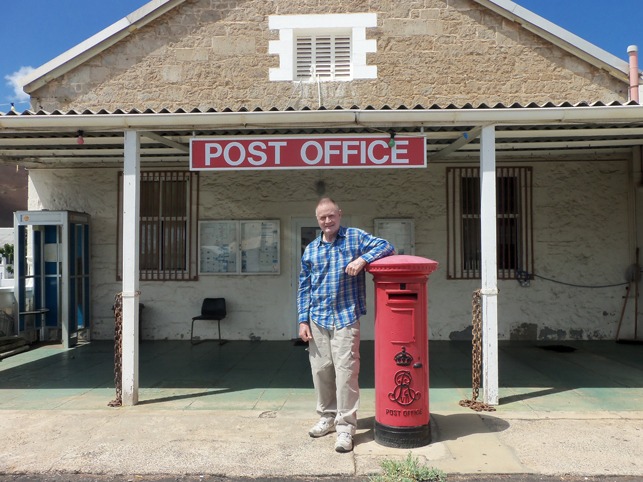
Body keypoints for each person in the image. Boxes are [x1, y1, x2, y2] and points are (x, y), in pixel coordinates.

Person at [297, 198, 395, 453]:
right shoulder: (311, 249)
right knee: (321, 371)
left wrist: (363, 260)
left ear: (339, 215)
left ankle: (345, 428)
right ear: (317, 219)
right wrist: (302, 320)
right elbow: (304, 287)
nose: (327, 221)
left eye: (331, 216)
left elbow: (387, 246)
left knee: (346, 373)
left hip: (345, 317)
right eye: (322, 218)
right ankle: (327, 418)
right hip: (317, 319)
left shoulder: (354, 238)